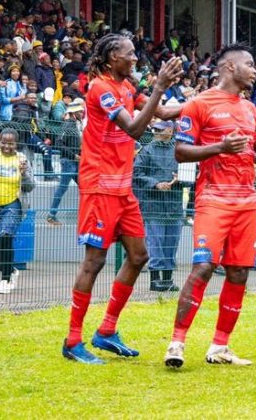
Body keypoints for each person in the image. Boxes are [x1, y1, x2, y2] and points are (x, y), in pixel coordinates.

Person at [62, 34, 183, 364]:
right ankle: (73, 341)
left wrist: (209, 103)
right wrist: (158, 85)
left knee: (139, 255)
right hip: (100, 185)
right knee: (94, 262)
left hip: (122, 187)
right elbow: (133, 129)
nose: (134, 59)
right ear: (112, 57)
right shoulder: (100, 88)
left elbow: (162, 112)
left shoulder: (128, 88)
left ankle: (106, 331)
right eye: (129, 54)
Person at [164, 43, 256, 369]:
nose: (254, 72)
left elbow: (246, 153)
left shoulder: (250, 109)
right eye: (249, 64)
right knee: (203, 267)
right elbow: (181, 152)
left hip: (246, 201)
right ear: (230, 67)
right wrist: (219, 145)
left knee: (239, 271)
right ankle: (177, 342)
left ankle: (220, 346)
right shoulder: (198, 105)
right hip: (213, 198)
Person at [0, 128, 35, 294]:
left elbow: (30, 186)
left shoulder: (22, 159)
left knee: (5, 235)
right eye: (4, 142)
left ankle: (5, 279)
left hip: (13, 204)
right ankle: (11, 269)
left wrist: (24, 174)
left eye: (10, 144)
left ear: (16, 144)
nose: (6, 146)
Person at [133, 120, 183, 292]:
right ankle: (155, 280)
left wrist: (180, 178)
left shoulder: (180, 149)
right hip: (153, 205)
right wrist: (155, 184)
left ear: (170, 130)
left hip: (174, 204)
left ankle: (168, 280)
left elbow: (192, 174)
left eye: (160, 129)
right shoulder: (147, 150)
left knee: (172, 243)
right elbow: (136, 172)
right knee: (156, 242)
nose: (156, 132)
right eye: (155, 129)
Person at [46, 100, 83, 225]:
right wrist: (74, 156)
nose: (82, 112)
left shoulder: (74, 125)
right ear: (74, 112)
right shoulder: (67, 125)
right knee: (62, 188)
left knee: (85, 188)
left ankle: (88, 216)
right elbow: (58, 143)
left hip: (74, 162)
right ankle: (51, 215)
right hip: (69, 162)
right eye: (79, 111)